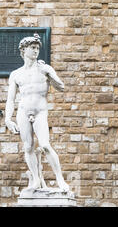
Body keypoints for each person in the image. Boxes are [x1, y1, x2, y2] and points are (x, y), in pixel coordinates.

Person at [4, 34, 69, 192]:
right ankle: (36, 180)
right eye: (32, 48)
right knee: (28, 147)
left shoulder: (44, 68)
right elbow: (11, 100)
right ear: (24, 50)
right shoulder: (16, 74)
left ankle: (60, 179)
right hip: (23, 112)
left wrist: (49, 74)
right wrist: (7, 119)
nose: (36, 51)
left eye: (38, 48)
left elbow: (61, 87)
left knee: (45, 145)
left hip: (40, 111)